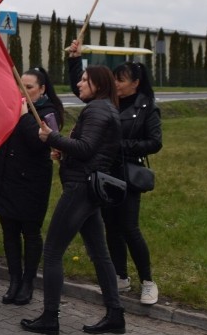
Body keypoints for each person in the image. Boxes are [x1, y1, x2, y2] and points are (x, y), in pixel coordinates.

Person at [21, 64, 125, 335]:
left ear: (99, 85)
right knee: (100, 254)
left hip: (80, 188)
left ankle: (50, 317)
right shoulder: (107, 108)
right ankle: (115, 314)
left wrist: (51, 137)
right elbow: (92, 151)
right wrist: (64, 151)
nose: (79, 84)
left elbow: (86, 147)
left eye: (84, 80)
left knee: (53, 251)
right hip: (91, 188)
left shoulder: (97, 110)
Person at [68, 42, 163, 305]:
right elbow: (81, 88)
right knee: (111, 227)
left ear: (136, 82)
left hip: (128, 173)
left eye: (121, 80)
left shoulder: (147, 107)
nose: (117, 84)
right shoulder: (109, 101)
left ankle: (147, 281)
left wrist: (121, 145)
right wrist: (75, 60)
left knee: (130, 227)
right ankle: (121, 276)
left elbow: (155, 142)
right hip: (104, 173)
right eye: (115, 80)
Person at [0, 67, 64, 305]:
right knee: (9, 233)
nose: (23, 91)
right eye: (20, 86)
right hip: (6, 178)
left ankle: (28, 282)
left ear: (42, 89)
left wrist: (23, 117)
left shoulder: (49, 112)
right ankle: (14, 280)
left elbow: (42, 141)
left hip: (31, 182)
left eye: (29, 87)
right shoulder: (11, 106)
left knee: (30, 233)